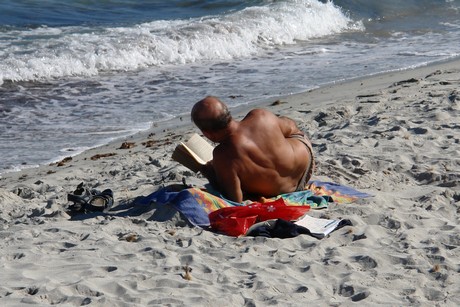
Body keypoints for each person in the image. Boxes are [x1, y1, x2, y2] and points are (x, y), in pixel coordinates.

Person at [191, 96, 314, 203]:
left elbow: (235, 199)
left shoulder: (222, 155)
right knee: (283, 125)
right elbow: (291, 128)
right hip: (305, 165)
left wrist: (211, 176)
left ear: (208, 134)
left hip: (281, 191)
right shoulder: (260, 115)